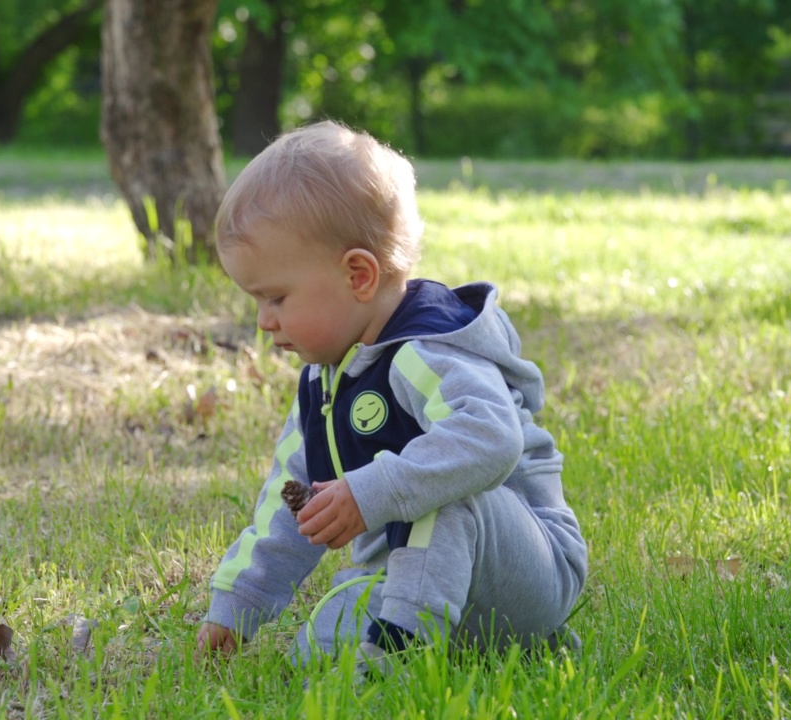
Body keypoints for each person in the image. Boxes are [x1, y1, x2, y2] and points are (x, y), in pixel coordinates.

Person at [197, 120, 587, 673]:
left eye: (277, 298)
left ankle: (402, 655)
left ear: (359, 275)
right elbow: (288, 501)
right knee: (319, 648)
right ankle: (454, 642)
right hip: (414, 574)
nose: (264, 322)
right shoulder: (322, 382)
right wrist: (236, 606)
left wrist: (371, 490)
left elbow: (491, 440)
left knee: (446, 481)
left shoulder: (426, 350)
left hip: (527, 571)